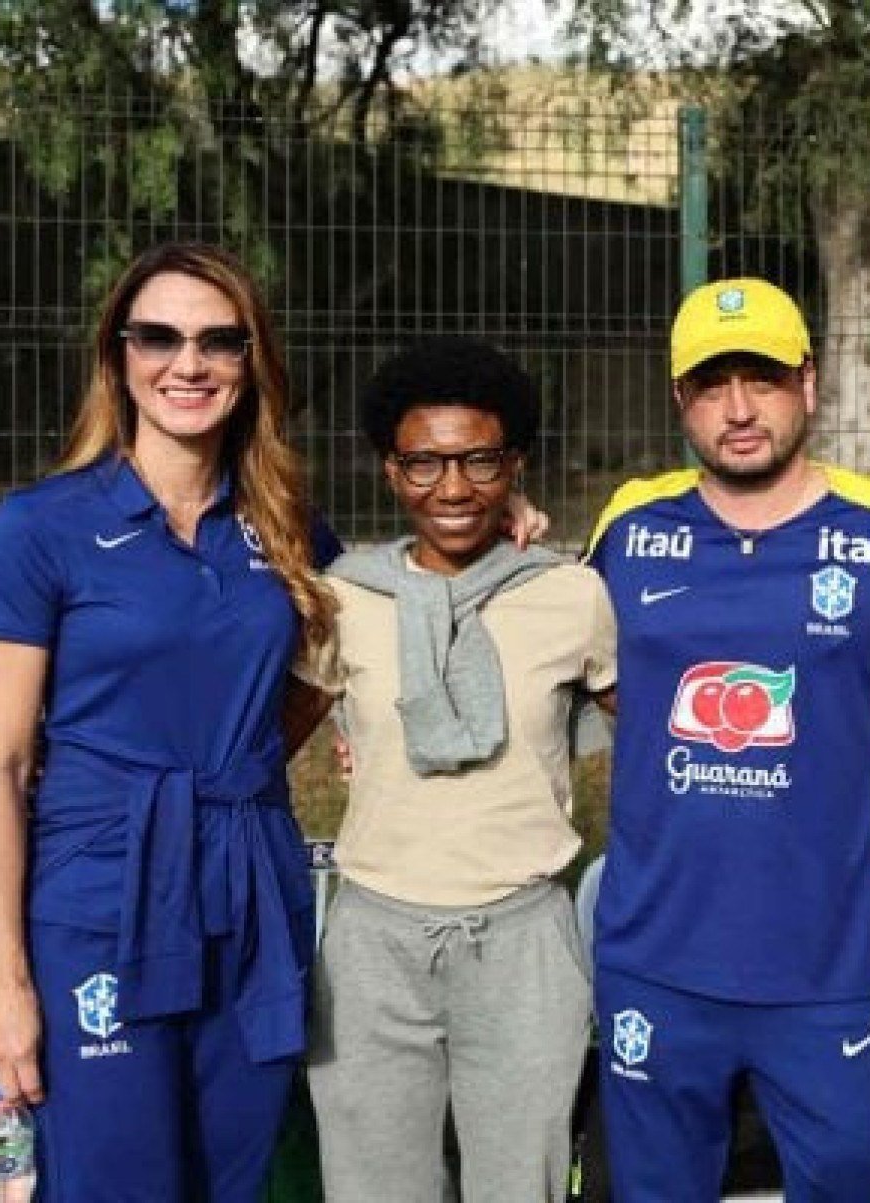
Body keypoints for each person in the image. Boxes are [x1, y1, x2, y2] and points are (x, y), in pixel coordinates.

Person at [0, 241, 342, 1202]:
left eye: (221, 341)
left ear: (253, 362)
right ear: (118, 355)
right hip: (98, 898)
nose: (190, 363)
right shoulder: (40, 527)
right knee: (115, 1180)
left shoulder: (288, 526)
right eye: (159, 336)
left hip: (251, 891)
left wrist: (509, 527)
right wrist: (4, 984)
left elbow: (341, 660)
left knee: (232, 1178)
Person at [583, 276, 870, 1201]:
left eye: (764, 379)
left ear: (810, 383)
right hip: (657, 957)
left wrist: (853, 728)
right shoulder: (629, 527)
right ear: (682, 399)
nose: (740, 409)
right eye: (712, 385)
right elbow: (573, 663)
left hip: (825, 963)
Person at [294, 338, 614, 1202]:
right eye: (425, 462)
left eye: (479, 459)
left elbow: (659, 739)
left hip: (521, 937)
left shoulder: (572, 593)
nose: (453, 486)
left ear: (514, 463)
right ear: (390, 471)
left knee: (523, 1182)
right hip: (374, 944)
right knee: (373, 1184)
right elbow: (263, 746)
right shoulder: (343, 600)